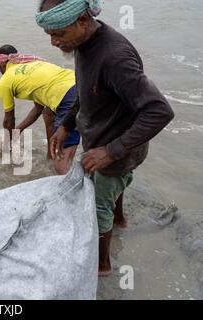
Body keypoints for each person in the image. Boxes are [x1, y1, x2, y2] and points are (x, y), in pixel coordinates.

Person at [36, 0, 174, 276]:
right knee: (109, 191)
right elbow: (85, 90)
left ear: (83, 21)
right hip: (101, 138)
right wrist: (66, 123)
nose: (53, 42)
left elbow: (159, 111)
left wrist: (111, 151)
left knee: (99, 208)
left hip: (117, 147)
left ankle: (102, 266)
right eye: (50, 35)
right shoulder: (83, 46)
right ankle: (121, 220)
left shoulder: (114, 57)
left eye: (59, 34)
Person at [0, 44, 79, 175]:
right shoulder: (34, 63)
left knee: (61, 159)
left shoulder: (5, 81)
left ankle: (68, 188)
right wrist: (17, 132)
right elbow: (38, 108)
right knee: (48, 113)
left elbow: (8, 120)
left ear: (0, 64)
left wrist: (7, 143)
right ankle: (50, 158)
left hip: (68, 99)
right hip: (84, 85)